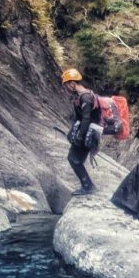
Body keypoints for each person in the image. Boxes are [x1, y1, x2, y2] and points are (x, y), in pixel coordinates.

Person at [61, 68, 100, 196]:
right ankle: (88, 186)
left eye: (67, 84)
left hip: (87, 134)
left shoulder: (85, 97)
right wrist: (72, 132)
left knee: (73, 159)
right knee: (75, 159)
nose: (66, 87)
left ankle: (88, 187)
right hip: (88, 133)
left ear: (72, 83)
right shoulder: (84, 95)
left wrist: (79, 136)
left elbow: (86, 119)